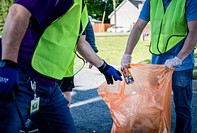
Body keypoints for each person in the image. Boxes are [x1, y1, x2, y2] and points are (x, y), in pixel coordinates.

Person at [0, 1, 122, 133]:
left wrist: (104, 67)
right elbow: (17, 12)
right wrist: (8, 64)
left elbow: (80, 43)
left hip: (49, 85)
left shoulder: (81, 6)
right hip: (22, 77)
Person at [121, 0, 197, 133]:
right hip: (157, 64)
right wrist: (127, 53)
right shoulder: (152, 1)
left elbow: (195, 31)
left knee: (182, 108)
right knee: (154, 105)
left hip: (181, 65)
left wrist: (179, 58)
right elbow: (138, 26)